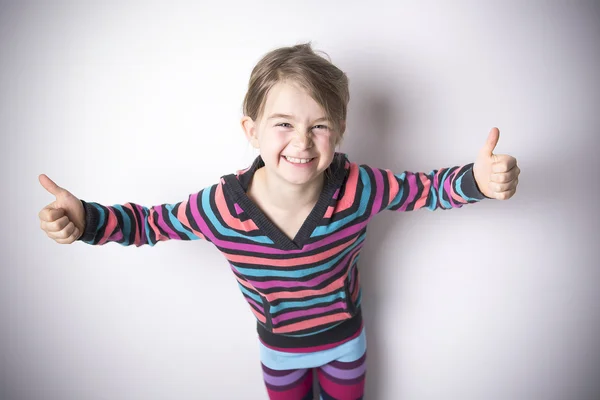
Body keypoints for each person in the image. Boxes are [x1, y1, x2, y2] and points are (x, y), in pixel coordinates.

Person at [38, 42, 520, 400]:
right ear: (252, 130)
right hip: (279, 354)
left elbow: (427, 191)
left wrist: (476, 179)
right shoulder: (221, 208)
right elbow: (149, 224)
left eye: (319, 125)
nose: (302, 142)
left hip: (346, 344)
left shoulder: (360, 186)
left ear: (340, 131)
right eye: (284, 123)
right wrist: (88, 221)